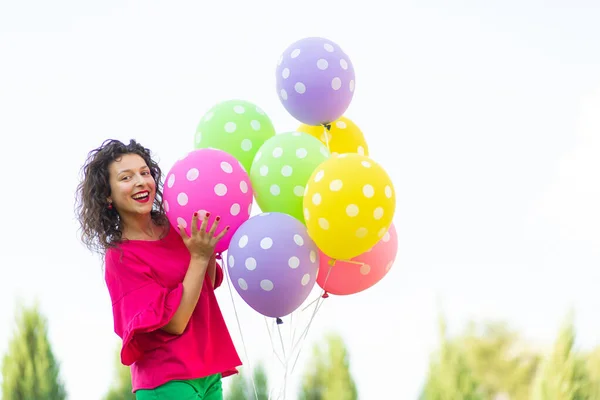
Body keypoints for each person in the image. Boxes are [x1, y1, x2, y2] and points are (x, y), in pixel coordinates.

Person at [75, 138, 242, 399]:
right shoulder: (121, 257)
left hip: (207, 371)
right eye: (126, 177)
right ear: (107, 194)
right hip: (166, 379)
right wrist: (199, 257)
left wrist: (207, 252)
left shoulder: (177, 224)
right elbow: (175, 323)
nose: (141, 182)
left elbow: (203, 290)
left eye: (145, 173)